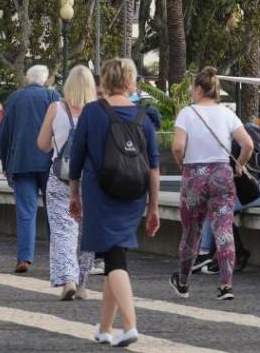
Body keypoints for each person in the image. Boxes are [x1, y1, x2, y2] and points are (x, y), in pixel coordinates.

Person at [68, 58, 161, 347]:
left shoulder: (92, 113)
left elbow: (77, 157)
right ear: (130, 82)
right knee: (114, 254)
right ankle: (105, 328)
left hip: (101, 191)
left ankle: (130, 325)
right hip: (134, 193)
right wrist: (153, 206)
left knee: (115, 258)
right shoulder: (143, 117)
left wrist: (74, 194)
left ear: (105, 81)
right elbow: (154, 167)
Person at [169, 67, 252, 302]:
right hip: (222, 175)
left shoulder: (187, 113)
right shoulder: (227, 114)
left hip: (195, 175)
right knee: (223, 230)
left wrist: (182, 164)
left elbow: (177, 147)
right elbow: (247, 145)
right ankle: (226, 286)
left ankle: (183, 282)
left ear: (198, 89)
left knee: (191, 232)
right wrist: (239, 166)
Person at [36, 65, 95, 300]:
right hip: (90, 180)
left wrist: (56, 142)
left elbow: (42, 144)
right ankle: (81, 285)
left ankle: (67, 280)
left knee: (62, 231)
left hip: (60, 177)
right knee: (85, 232)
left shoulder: (55, 108)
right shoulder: (97, 111)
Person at [0, 64, 60, 273]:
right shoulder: (53, 97)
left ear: (27, 79)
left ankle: (24, 258)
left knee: (25, 211)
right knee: (54, 211)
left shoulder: (14, 98)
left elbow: (3, 135)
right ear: (45, 80)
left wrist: (5, 162)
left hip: (21, 162)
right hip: (50, 163)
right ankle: (57, 258)